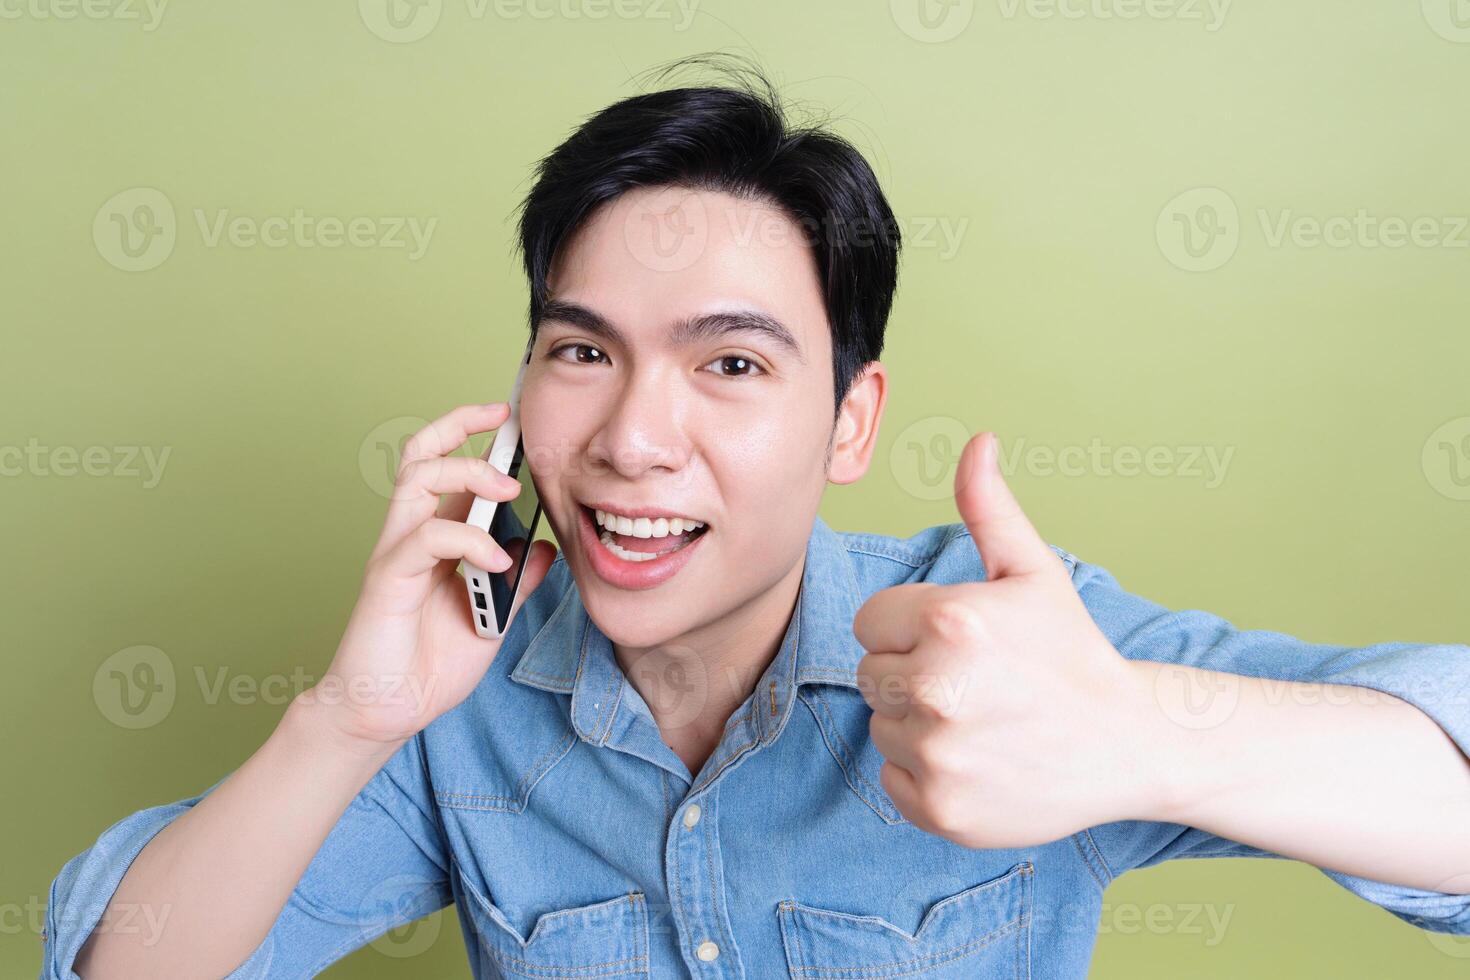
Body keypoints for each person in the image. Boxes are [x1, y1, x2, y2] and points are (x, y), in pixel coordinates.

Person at [45, 61, 1470, 980]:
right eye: (580, 350)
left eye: (730, 364)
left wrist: (1136, 739)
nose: (630, 440)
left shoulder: (1003, 652)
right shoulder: (464, 706)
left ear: (851, 420)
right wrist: (347, 716)